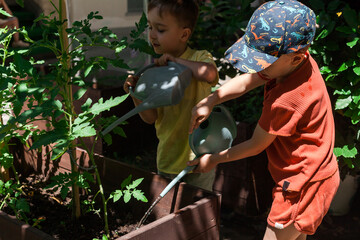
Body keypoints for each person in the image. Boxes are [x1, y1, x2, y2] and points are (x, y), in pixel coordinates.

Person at [188, 0, 340, 239]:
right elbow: (249, 80)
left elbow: (256, 144)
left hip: (301, 185)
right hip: (316, 173)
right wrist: (211, 100)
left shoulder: (287, 100)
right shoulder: (294, 64)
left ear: (296, 58)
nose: (257, 66)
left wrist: (214, 159)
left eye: (263, 61)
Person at [123, 0, 219, 191]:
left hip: (200, 157)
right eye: (150, 27)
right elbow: (150, 117)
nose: (151, 35)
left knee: (200, 209)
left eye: (160, 29)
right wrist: (135, 94)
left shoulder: (199, 57)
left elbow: (210, 74)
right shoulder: (155, 72)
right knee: (171, 215)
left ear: (184, 34)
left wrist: (176, 62)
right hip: (168, 158)